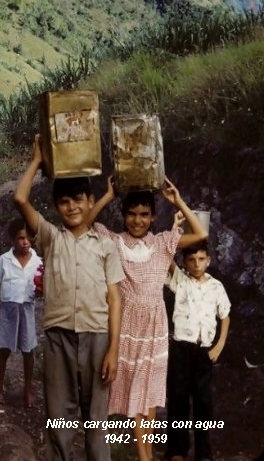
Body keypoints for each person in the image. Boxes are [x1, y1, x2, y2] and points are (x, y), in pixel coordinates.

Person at [14, 135, 123, 461]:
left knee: (97, 421)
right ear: (57, 207)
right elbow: (21, 199)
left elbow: (114, 298)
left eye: (78, 199)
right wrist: (36, 161)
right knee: (59, 418)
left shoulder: (105, 244)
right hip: (59, 336)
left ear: (91, 201)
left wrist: (114, 350)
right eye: (64, 202)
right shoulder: (50, 237)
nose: (72, 206)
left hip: (98, 338)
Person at [88, 177, 208, 461]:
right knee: (129, 392)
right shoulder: (115, 242)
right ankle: (138, 455)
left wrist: (177, 199)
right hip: (126, 325)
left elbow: (200, 234)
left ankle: (146, 457)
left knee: (150, 395)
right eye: (131, 214)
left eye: (144, 214)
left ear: (153, 217)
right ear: (124, 216)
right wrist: (108, 195)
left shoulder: (164, 242)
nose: (137, 220)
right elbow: (88, 224)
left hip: (155, 327)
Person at [165, 240, 231, 461]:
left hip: (204, 352)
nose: (196, 264)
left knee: (203, 403)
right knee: (178, 400)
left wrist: (219, 345)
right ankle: (177, 450)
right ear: (184, 262)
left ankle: (203, 452)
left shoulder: (216, 286)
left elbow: (225, 315)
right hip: (181, 350)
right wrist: (177, 231)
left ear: (209, 260)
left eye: (201, 259)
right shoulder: (180, 281)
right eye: (191, 260)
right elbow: (166, 257)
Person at [0, 218, 43, 407]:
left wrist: (42, 289)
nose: (25, 242)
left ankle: (28, 389)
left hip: (27, 310)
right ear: (12, 240)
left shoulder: (38, 262)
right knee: (4, 349)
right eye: (20, 238)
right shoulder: (5, 260)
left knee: (28, 351)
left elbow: (43, 286)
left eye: (28, 238)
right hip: (9, 311)